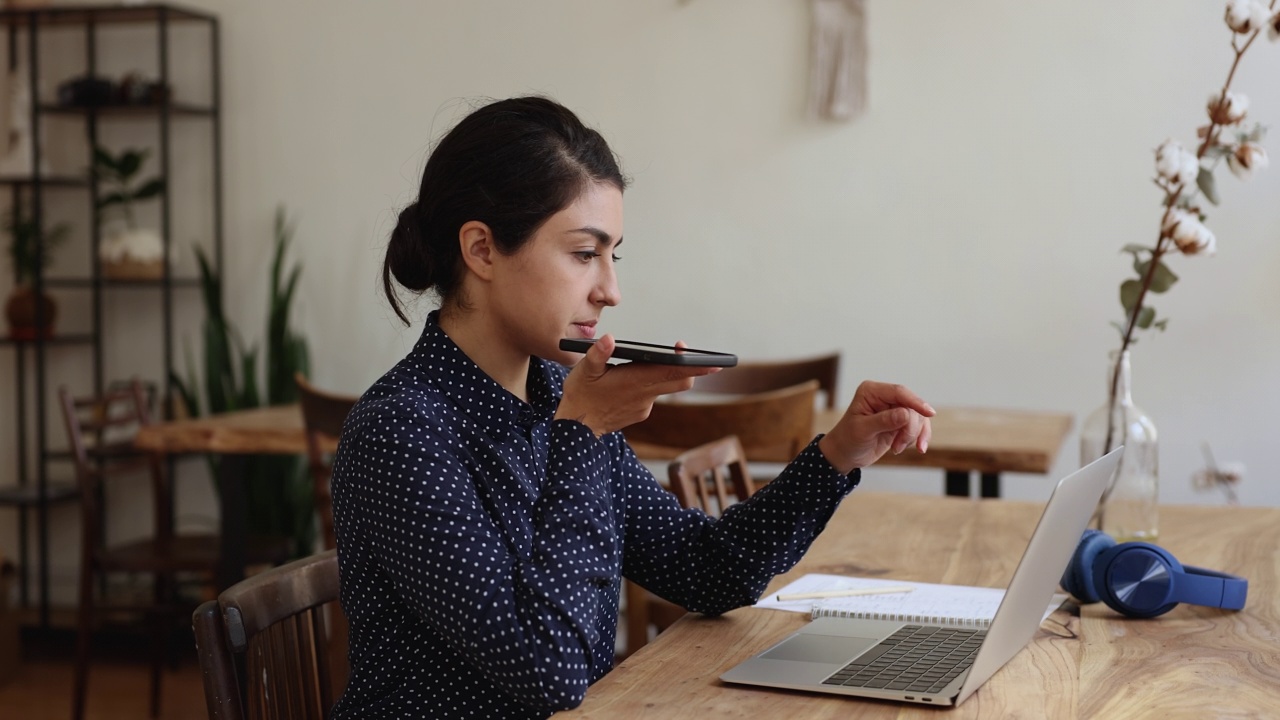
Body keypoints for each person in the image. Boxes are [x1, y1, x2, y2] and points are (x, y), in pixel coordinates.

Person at [330, 96, 933, 719]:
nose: (610, 289)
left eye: (614, 254)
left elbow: (708, 571)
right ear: (482, 250)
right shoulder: (401, 431)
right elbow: (547, 673)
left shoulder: (551, 397)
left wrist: (835, 455)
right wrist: (584, 430)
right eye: (584, 254)